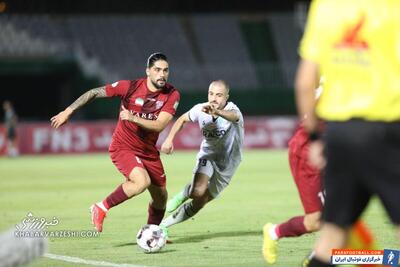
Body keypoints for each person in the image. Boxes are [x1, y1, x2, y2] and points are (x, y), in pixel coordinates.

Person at [295, 1, 400, 266]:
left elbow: (305, 83)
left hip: (340, 135)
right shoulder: (392, 8)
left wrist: (316, 139)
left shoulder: (325, 7)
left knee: (331, 238)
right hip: (387, 132)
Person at [50, 52, 180, 232]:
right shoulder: (131, 87)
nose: (162, 74)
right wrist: (68, 110)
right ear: (148, 71)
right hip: (123, 147)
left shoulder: (172, 94)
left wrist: (133, 117)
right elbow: (94, 92)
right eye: (157, 70)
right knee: (141, 182)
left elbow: (159, 126)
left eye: (165, 70)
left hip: (148, 151)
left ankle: (151, 233)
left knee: (161, 197)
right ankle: (101, 207)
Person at [158, 80, 244, 236]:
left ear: (226, 97)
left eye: (219, 95)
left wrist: (216, 112)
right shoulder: (200, 109)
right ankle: (185, 194)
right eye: (211, 94)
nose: (214, 98)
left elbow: (234, 116)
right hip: (208, 155)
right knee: (197, 191)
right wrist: (169, 139)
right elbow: (182, 119)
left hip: (228, 165)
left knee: (200, 201)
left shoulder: (232, 110)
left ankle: (165, 224)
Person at [262, 123, 324, 264]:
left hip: (338, 155)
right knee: (315, 221)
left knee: (344, 215)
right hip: (309, 156)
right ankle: (274, 232)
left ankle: (321, 257)